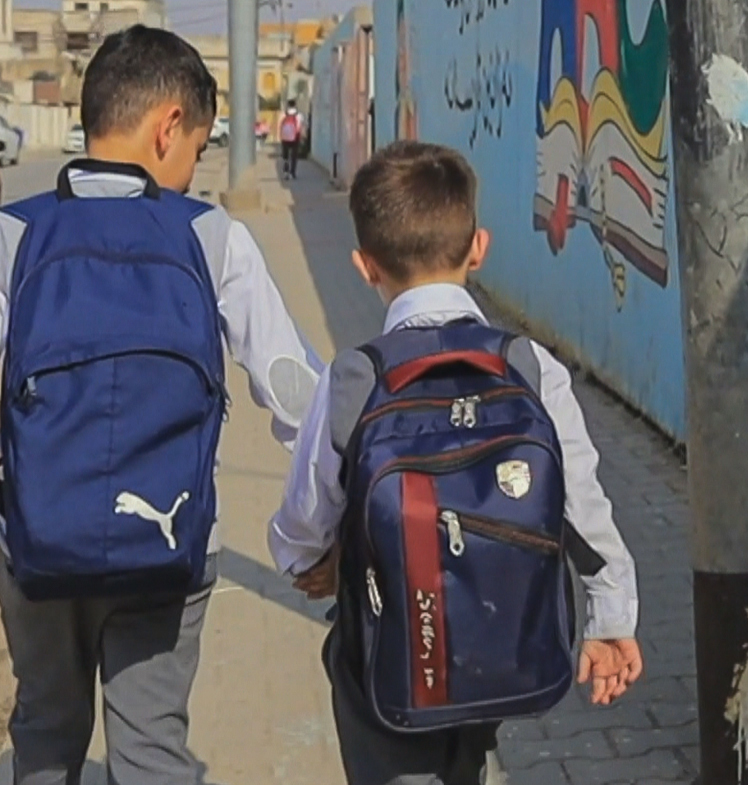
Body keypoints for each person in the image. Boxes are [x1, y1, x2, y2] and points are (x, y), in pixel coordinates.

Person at [0, 24, 323, 785]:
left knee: (46, 735)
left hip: (37, 541)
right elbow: (294, 388)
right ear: (168, 128)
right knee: (153, 748)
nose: (193, 168)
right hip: (170, 542)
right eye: (196, 146)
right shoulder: (212, 236)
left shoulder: (11, 234)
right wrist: (333, 515)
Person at [268, 141, 643, 785]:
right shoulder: (529, 366)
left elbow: (306, 519)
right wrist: (612, 618)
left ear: (364, 267)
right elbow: (580, 506)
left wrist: (311, 562)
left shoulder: (354, 377)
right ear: (479, 247)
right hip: (504, 637)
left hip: (392, 648)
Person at [279, 101, 305, 180]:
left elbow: (280, 125)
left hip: (285, 137)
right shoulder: (299, 115)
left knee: (285, 156)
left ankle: (286, 171)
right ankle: (292, 173)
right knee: (294, 156)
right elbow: (301, 127)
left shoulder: (283, 114)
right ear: (295, 105)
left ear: (288, 105)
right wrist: (303, 136)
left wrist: (280, 136)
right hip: (295, 137)